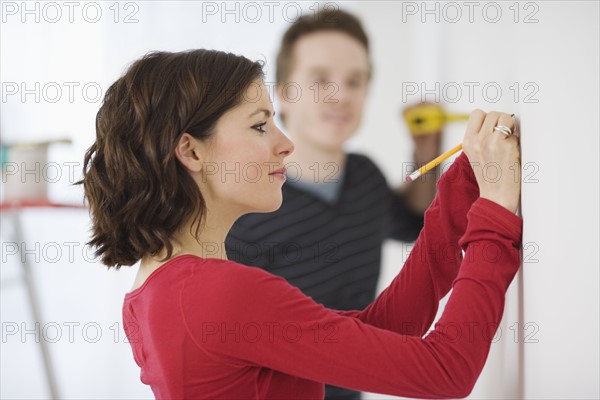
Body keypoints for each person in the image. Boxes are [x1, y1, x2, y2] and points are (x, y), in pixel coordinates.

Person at [80, 49, 522, 399]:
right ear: (191, 152)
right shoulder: (219, 292)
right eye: (260, 126)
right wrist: (497, 216)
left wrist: (465, 183)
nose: (285, 144)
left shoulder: (156, 291)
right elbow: (446, 372)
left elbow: (383, 332)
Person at [225, 11, 441, 397]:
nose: (340, 96)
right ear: (284, 95)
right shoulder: (245, 205)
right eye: (320, 79)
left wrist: (425, 152)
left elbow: (412, 220)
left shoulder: (366, 178)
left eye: (354, 81)